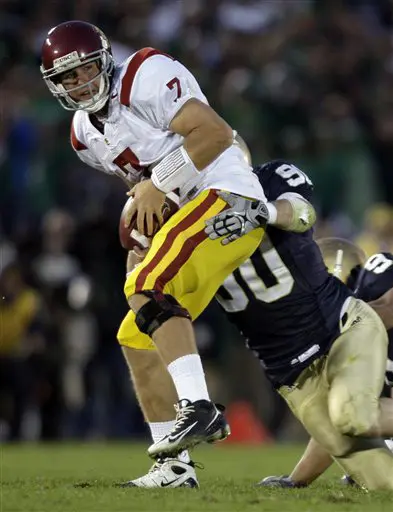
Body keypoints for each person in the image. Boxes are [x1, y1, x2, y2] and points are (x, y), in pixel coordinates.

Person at [40, 20, 282, 458]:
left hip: (225, 197)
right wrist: (142, 235)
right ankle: (172, 465)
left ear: (105, 60)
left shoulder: (145, 74)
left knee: (145, 285)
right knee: (136, 335)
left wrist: (160, 184)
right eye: (67, 77)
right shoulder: (83, 135)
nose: (79, 84)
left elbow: (216, 133)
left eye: (85, 70)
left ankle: (199, 406)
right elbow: (143, 190)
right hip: (187, 214)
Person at [120, 160, 393, 489]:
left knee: (353, 415)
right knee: (383, 486)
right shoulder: (184, 229)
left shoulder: (268, 179)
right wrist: (140, 254)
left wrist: (261, 211)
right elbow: (152, 298)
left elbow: (303, 212)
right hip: (291, 376)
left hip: (339, 328)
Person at [260, 238, 393, 489]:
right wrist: (296, 481)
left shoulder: (376, 281)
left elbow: (388, 305)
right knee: (350, 412)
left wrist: (345, 322)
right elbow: (338, 422)